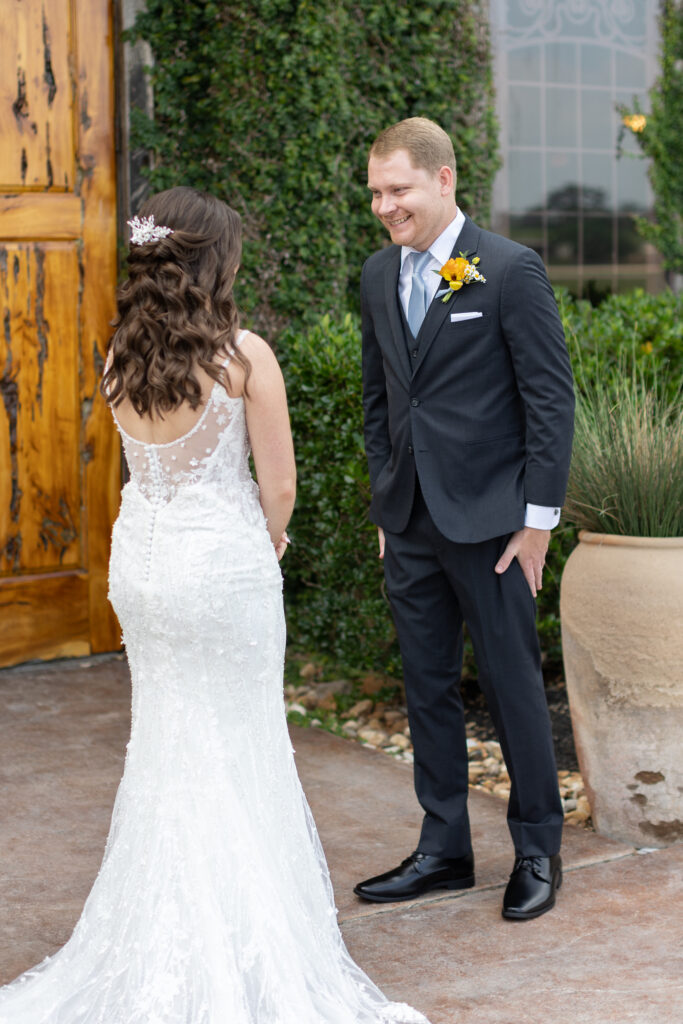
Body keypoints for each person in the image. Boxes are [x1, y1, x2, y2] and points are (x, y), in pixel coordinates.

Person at [0, 187, 429, 1023]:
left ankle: (161, 928)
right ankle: (242, 942)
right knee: (240, 742)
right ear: (211, 261)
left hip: (146, 567)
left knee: (167, 741)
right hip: (221, 568)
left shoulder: (117, 355)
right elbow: (280, 484)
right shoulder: (242, 357)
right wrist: (268, 540)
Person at [355, 118, 575, 920]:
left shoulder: (509, 271)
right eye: (376, 192)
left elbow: (549, 401)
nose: (384, 206)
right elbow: (381, 398)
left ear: (443, 180)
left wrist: (537, 520)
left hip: (493, 526)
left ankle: (537, 850)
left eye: (398, 189)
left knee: (513, 685)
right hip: (409, 523)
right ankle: (444, 847)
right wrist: (388, 500)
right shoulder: (379, 276)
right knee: (427, 686)